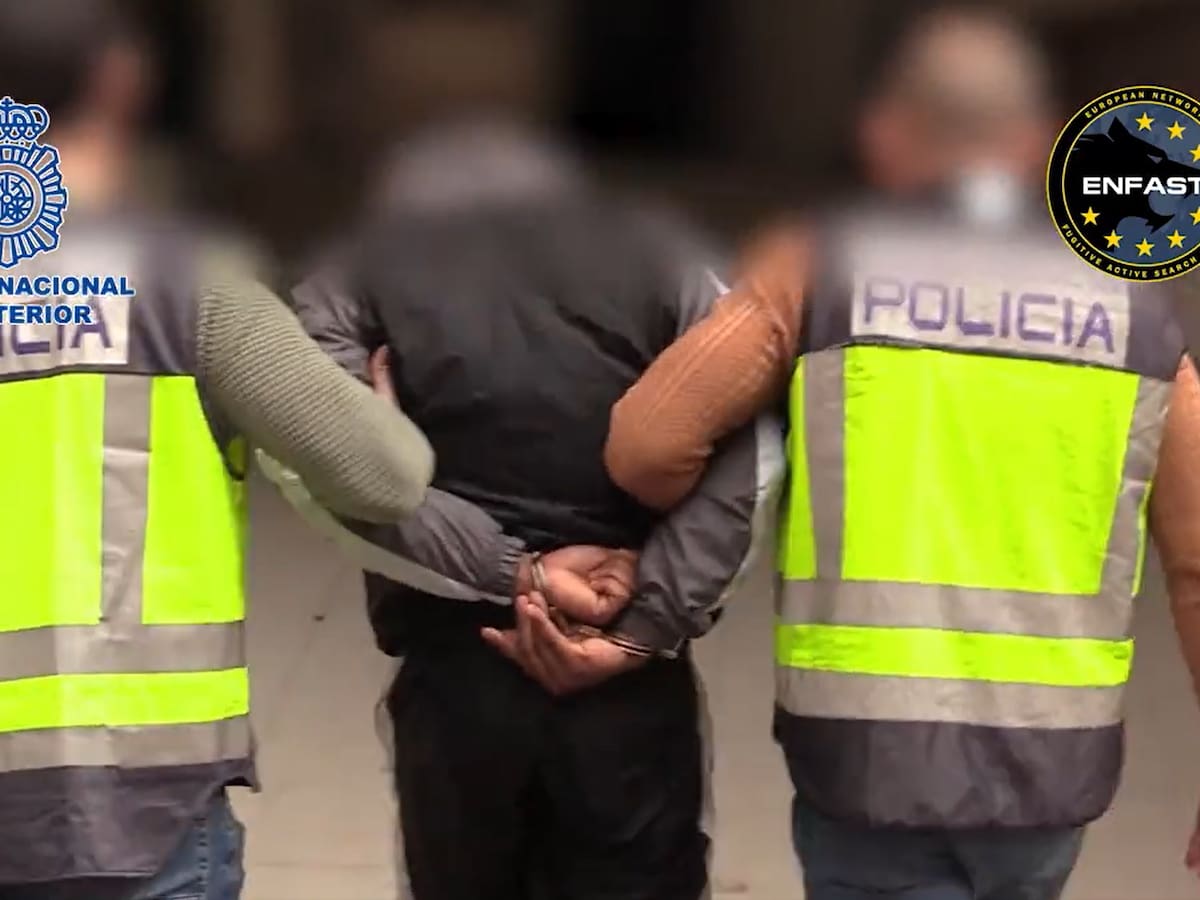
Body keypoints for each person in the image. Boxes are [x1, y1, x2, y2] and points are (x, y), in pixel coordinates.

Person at [603, 7, 1200, 900]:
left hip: (866, 760)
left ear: (885, 135)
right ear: (1040, 145)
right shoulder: (1137, 309)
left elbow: (647, 444)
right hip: (1050, 775)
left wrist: (728, 493)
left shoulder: (819, 266)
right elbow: (1197, 564)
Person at [0, 2, 438, 898]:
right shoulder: (185, 284)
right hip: (138, 809)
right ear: (120, 84)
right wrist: (383, 409)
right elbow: (383, 479)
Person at [281, 120, 783, 900]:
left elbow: (319, 454)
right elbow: (749, 451)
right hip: (623, 673)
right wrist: (646, 622)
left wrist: (513, 571)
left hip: (455, 670)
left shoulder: (358, 276)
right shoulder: (665, 262)